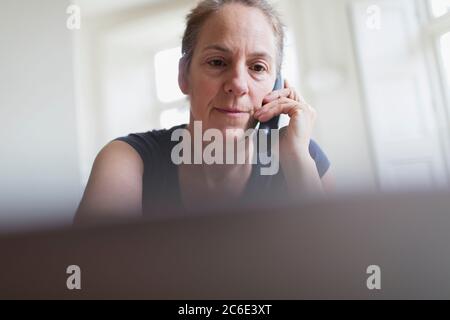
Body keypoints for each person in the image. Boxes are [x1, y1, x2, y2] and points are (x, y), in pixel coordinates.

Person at [75, 0, 334, 224]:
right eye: (217, 62)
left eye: (257, 67)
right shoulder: (130, 161)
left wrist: (297, 161)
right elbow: (94, 271)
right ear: (183, 75)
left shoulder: (302, 156)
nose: (238, 84)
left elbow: (335, 267)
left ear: (277, 86)